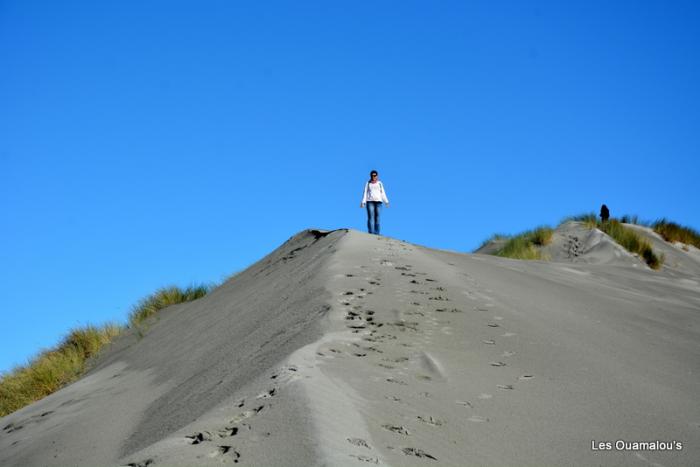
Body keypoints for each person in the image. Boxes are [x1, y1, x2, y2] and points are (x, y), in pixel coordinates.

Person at [360, 170, 389, 235]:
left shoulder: (380, 183)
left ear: (377, 176)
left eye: (375, 175)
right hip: (370, 201)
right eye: (372, 175)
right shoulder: (368, 183)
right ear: (370, 176)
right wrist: (363, 202)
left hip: (378, 202)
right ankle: (371, 233)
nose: (373, 177)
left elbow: (383, 193)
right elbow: (365, 192)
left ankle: (377, 233)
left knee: (377, 217)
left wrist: (386, 202)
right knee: (371, 217)